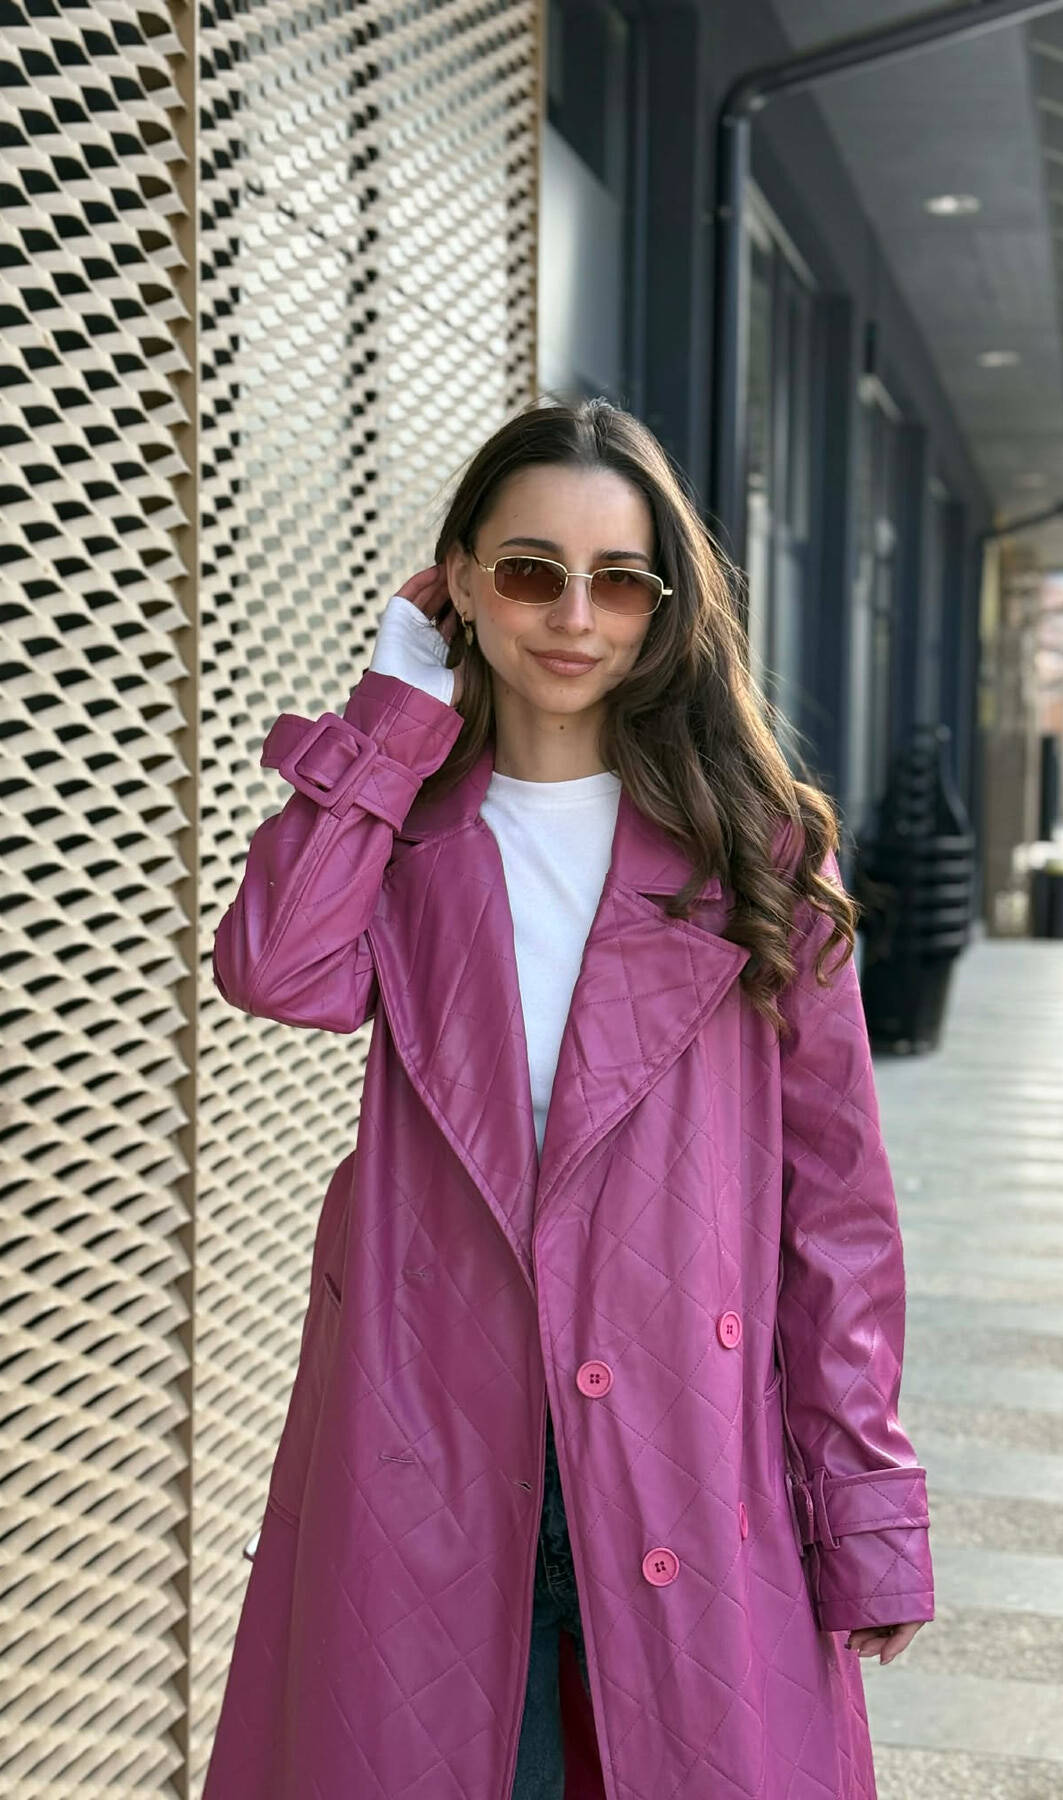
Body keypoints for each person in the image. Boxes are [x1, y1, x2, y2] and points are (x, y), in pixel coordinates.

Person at [203, 397, 934, 1800]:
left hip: (686, 1461)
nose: (576, 616)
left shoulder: (758, 851)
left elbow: (835, 1214)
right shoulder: (403, 832)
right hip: (428, 1455)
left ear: (667, 609)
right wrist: (391, 714)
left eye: (622, 580)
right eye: (532, 571)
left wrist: (866, 1503)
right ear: (463, 583)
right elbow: (276, 970)